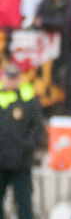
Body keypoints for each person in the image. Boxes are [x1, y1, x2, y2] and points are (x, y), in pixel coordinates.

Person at [0, 62, 45, 219]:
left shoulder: (28, 100)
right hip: (0, 162)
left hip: (21, 162)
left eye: (14, 78)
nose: (11, 81)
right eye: (8, 78)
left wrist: (27, 144)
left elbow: (37, 126)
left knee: (24, 204)